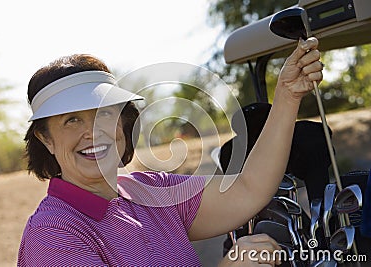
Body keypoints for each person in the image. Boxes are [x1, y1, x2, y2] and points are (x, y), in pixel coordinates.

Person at [18, 37, 323, 266]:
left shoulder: (150, 192)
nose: (93, 132)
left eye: (105, 114)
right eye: (72, 120)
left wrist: (287, 94)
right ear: (46, 139)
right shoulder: (52, 234)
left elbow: (247, 188)